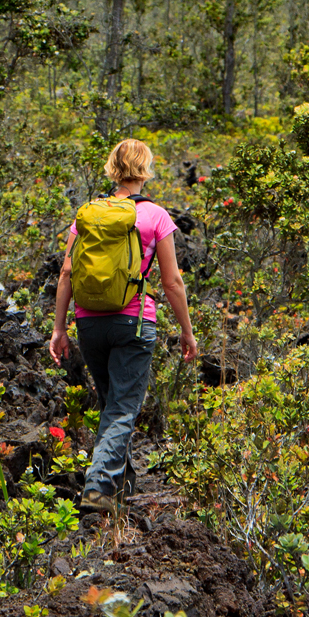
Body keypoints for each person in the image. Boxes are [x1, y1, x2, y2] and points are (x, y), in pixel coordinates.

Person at [48, 138, 198, 514]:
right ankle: (98, 487)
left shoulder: (88, 214)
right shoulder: (156, 216)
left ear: (113, 170)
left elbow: (66, 271)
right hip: (133, 321)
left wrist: (59, 328)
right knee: (122, 407)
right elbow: (172, 282)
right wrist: (187, 330)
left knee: (112, 403)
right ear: (145, 170)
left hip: (89, 323)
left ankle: (121, 484)